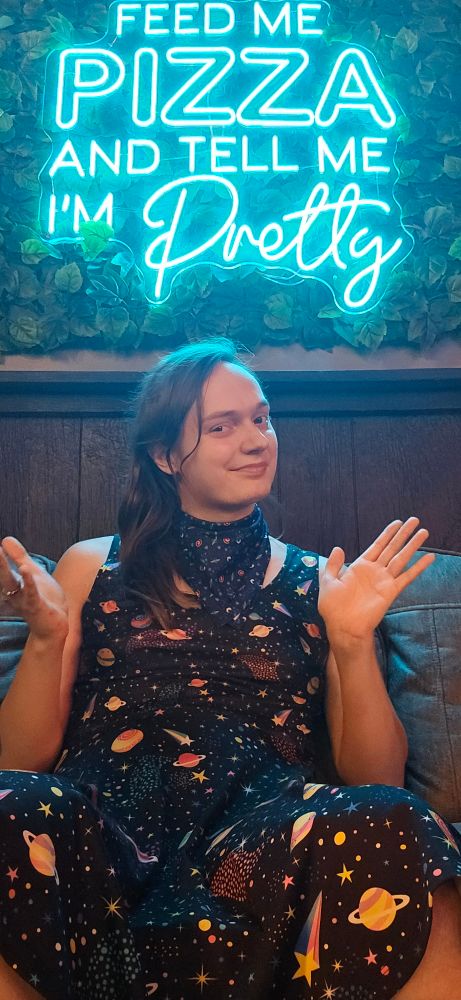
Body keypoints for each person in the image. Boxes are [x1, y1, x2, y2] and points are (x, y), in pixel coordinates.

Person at [0, 337, 459, 1000]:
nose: (256, 439)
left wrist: (352, 640)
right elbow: (18, 758)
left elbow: (377, 777)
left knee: (397, 820)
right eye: (222, 426)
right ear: (165, 456)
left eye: (261, 418)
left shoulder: (318, 583)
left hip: (261, 830)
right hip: (99, 829)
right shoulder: (87, 566)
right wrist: (45, 639)